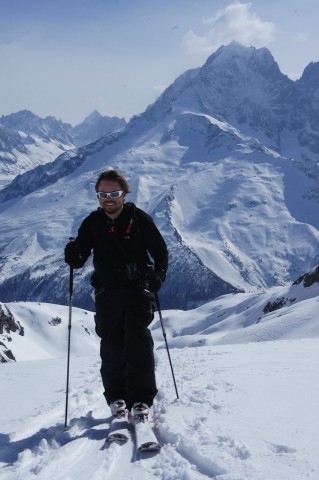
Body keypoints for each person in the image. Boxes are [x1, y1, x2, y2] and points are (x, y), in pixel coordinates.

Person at [64, 169, 168, 421]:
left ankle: (142, 399)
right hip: (107, 294)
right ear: (97, 196)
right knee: (111, 347)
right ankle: (117, 398)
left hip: (137, 291)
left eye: (114, 193)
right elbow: (79, 258)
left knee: (138, 344)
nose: (108, 198)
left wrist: (159, 276)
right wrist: (73, 254)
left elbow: (160, 251)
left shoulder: (139, 219)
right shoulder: (92, 223)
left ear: (124, 194)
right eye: (103, 194)